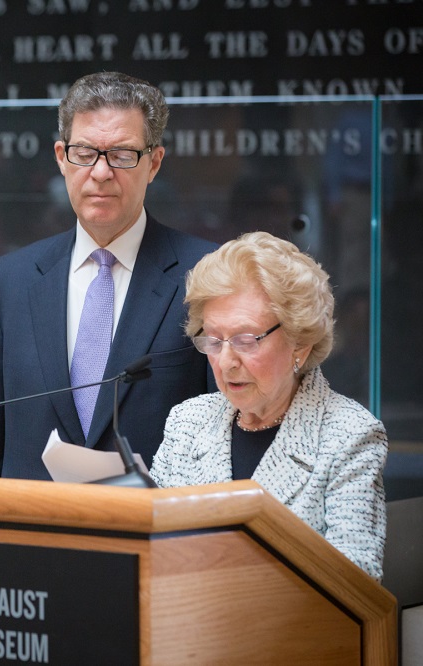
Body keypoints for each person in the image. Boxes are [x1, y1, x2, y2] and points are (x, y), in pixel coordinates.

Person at [0, 71, 216, 478]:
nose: (100, 172)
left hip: (157, 532)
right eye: (84, 152)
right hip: (29, 531)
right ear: (61, 157)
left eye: (123, 155)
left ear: (154, 163)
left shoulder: (206, 275)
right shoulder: (9, 282)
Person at [151, 231, 387, 580]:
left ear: (300, 344)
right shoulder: (188, 421)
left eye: (246, 340)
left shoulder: (349, 436)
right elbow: (150, 545)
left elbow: (356, 581)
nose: (226, 362)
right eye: (214, 340)